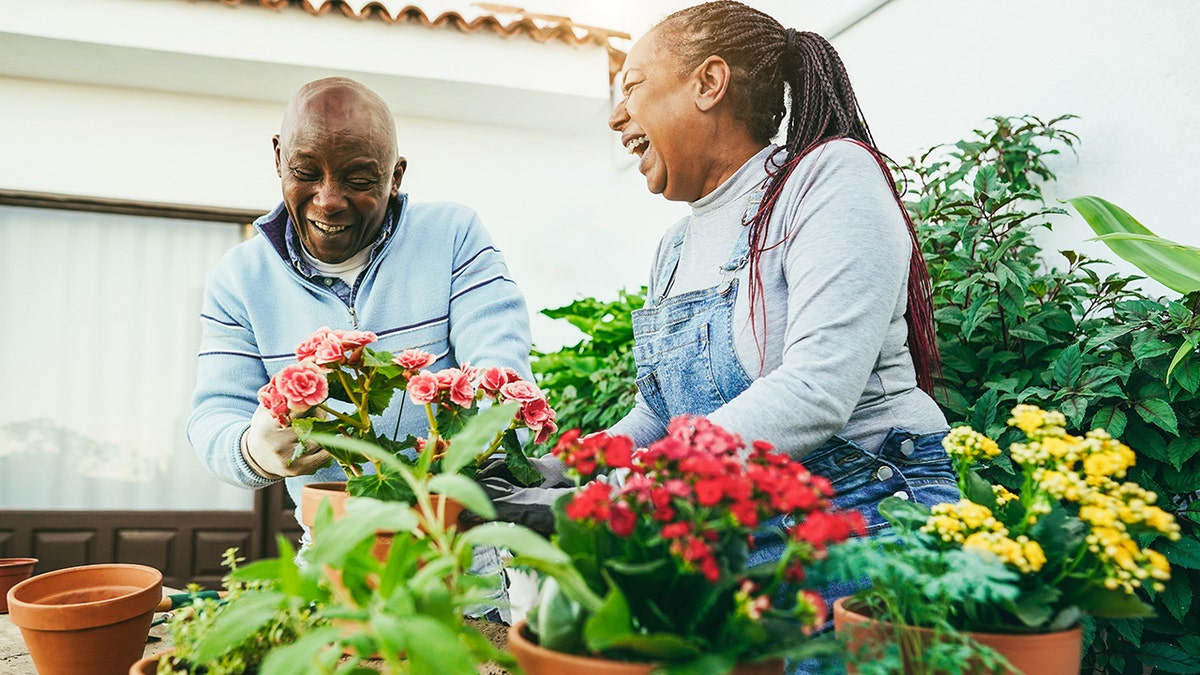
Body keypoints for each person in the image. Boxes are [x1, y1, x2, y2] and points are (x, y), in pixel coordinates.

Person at [605, 4, 959, 668]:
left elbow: (816, 388)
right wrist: (571, 472)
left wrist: (642, 484)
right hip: (744, 545)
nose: (615, 115)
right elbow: (659, 411)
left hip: (866, 523)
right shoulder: (673, 249)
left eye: (632, 85)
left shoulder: (828, 179)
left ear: (709, 83)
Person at [186, 76, 533, 621]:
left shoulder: (453, 236)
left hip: (457, 555)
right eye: (305, 173)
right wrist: (255, 447)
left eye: (359, 178)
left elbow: (501, 368)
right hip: (329, 555)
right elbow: (211, 419)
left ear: (395, 176)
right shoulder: (239, 278)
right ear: (278, 158)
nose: (329, 199)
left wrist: (469, 438)